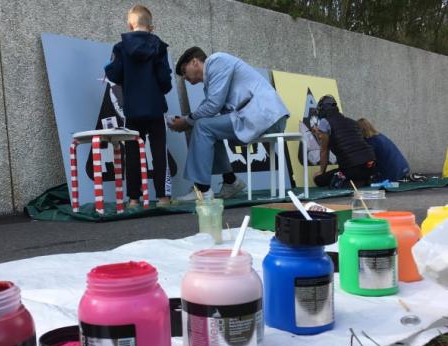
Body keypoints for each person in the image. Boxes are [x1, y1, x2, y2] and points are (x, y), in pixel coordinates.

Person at [169, 47, 289, 201]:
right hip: (257, 116)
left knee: (202, 126)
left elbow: (213, 106)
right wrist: (188, 120)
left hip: (266, 115)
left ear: (194, 62)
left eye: (184, 72)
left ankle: (202, 190)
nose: (184, 77)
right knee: (208, 127)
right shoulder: (212, 77)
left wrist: (187, 121)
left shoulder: (216, 61)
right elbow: (210, 108)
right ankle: (230, 181)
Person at [105, 5, 172, 207]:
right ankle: (163, 197)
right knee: (159, 153)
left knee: (133, 154)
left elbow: (115, 75)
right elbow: (165, 81)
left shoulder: (120, 47)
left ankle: (134, 199)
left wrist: (108, 67)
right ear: (151, 27)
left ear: (129, 25)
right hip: (155, 108)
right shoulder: (159, 47)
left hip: (133, 110)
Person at [313, 95, 376, 188]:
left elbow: (324, 150)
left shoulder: (324, 122)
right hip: (370, 164)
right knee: (352, 171)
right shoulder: (352, 122)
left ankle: (349, 184)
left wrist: (321, 172)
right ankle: (362, 181)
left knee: (318, 179)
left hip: (352, 167)